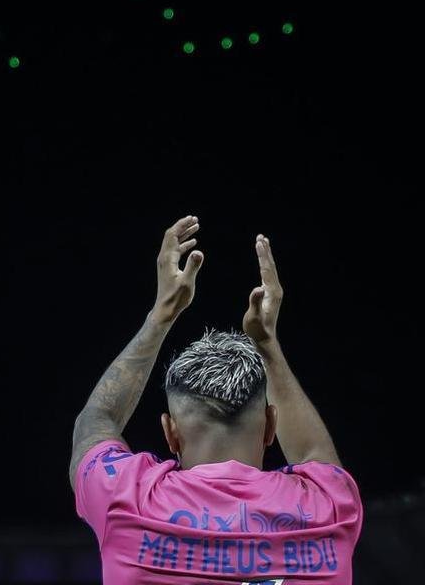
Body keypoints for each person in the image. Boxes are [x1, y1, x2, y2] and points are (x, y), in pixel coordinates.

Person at [69, 216, 362, 583]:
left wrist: (161, 314)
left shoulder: (125, 498)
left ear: (170, 433)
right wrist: (267, 345)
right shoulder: (328, 508)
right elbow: (314, 455)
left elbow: (96, 421)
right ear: (271, 425)